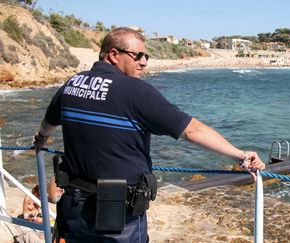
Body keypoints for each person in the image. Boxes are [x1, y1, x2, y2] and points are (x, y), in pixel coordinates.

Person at [33, 27, 265, 242]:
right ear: (114, 55)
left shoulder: (73, 83)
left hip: (74, 208)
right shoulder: (135, 91)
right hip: (117, 217)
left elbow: (49, 122)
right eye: (138, 56)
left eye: (147, 57)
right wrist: (240, 155)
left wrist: (41, 140)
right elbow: (192, 130)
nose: (144, 62)